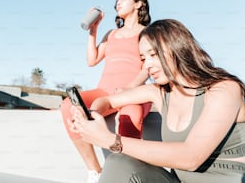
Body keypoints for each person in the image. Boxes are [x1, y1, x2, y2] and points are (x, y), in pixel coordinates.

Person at [71, 19, 245, 183]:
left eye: (153, 55)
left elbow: (191, 157)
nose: (147, 66)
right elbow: (108, 101)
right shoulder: (159, 92)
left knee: (118, 153)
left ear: (178, 47)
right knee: (118, 162)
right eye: (143, 59)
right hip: (177, 180)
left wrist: (111, 140)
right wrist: (93, 114)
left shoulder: (223, 89)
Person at [61, 0, 152, 183]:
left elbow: (148, 68)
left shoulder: (147, 33)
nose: (119, 2)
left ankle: (126, 174)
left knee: (130, 116)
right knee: (69, 105)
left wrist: (130, 88)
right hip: (104, 91)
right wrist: (93, 31)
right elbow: (91, 60)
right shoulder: (111, 34)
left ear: (139, 4)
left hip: (133, 93)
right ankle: (95, 170)